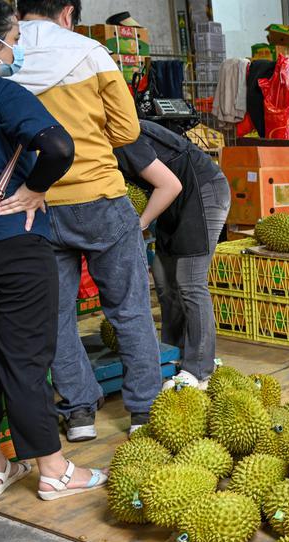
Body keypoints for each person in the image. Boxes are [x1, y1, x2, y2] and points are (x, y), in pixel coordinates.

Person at [13, 0, 161, 440]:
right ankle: (143, 411)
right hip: (99, 196)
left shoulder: (7, 60)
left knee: (55, 316)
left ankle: (78, 413)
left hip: (37, 201)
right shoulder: (90, 52)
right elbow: (127, 131)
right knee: (130, 309)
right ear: (67, 11)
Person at [0, 1, 106, 500]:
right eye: (13, 40)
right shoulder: (4, 92)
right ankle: (55, 471)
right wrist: (36, 188)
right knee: (24, 360)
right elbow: (58, 147)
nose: (15, 49)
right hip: (12, 244)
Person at [114, 120, 230, 391]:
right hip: (171, 203)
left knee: (190, 281)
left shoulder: (123, 137)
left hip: (202, 192)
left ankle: (200, 369)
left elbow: (171, 185)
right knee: (165, 281)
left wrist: (139, 225)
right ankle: (174, 356)